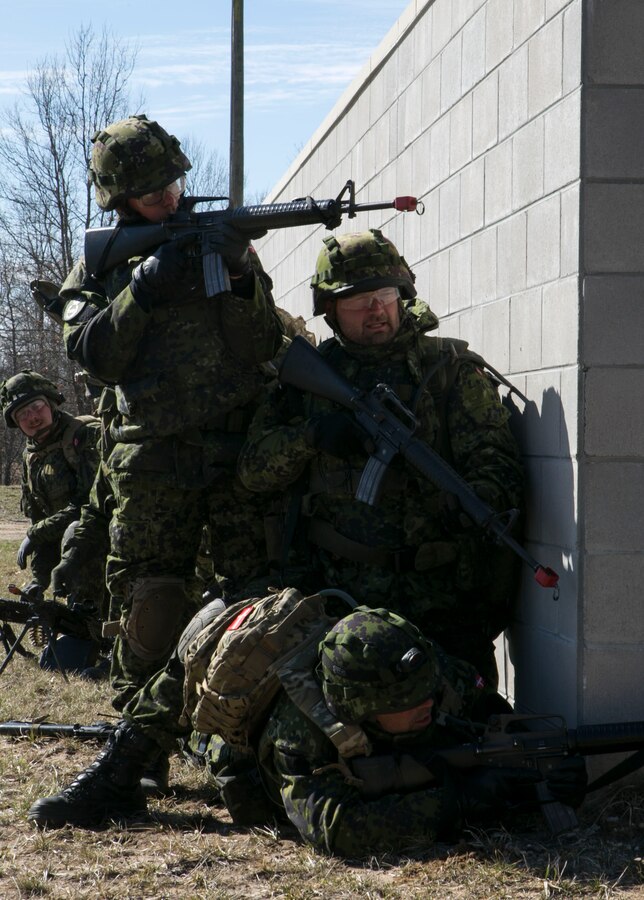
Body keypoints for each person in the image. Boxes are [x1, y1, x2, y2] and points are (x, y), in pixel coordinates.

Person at [57, 114, 284, 728]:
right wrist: (142, 291)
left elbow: (263, 344)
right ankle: (140, 737)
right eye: (152, 191)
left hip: (238, 454)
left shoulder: (223, 244)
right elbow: (95, 356)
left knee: (251, 597)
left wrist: (240, 274)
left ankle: (237, 734)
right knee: (151, 601)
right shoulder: (99, 266)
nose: (169, 198)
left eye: (173, 185)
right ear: (118, 198)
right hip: (151, 458)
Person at [27, 605, 587, 850]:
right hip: (228, 735)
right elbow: (339, 830)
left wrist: (530, 762)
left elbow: (478, 704)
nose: (428, 705)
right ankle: (123, 767)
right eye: (408, 703)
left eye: (427, 693)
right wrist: (465, 801)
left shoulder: (424, 672)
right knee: (186, 697)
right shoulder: (300, 734)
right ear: (360, 708)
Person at [237, 228, 525, 684]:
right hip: (339, 599)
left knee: (465, 713)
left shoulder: (447, 371)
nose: (375, 309)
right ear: (330, 310)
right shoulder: (307, 382)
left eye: (386, 295)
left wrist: (474, 500)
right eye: (358, 300)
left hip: (443, 600)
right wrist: (312, 436)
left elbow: (498, 459)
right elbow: (252, 471)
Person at [0, 369, 106, 670]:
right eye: (23, 414)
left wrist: (36, 533)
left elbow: (91, 506)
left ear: (51, 403)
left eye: (37, 407)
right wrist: (39, 579)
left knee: (76, 530)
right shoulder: (31, 456)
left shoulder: (84, 435)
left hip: (104, 541)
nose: (32, 417)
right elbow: (40, 520)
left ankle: (97, 630)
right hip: (73, 551)